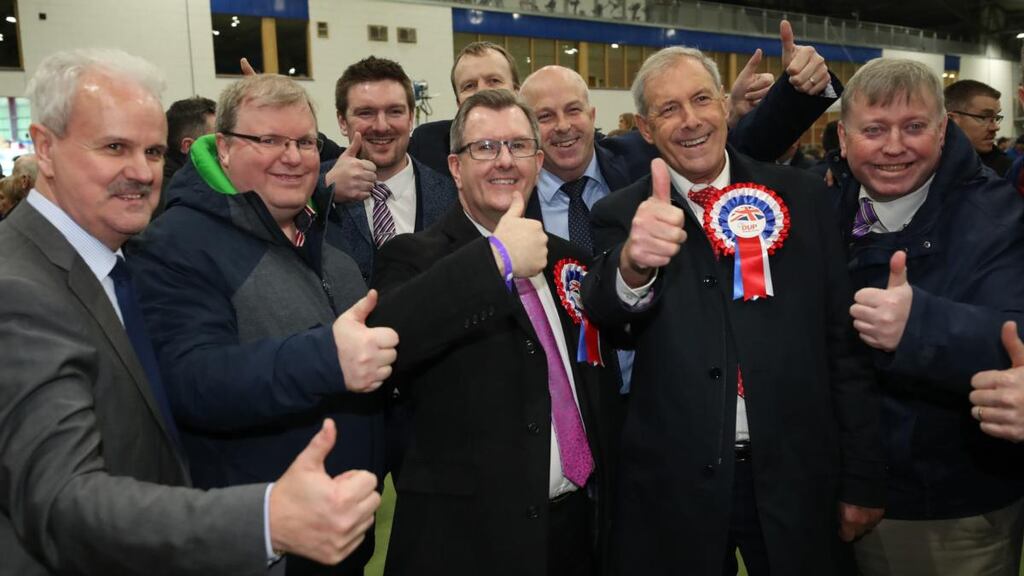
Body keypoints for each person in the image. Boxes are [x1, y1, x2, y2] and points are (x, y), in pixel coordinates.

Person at [0, 48, 379, 576]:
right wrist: (266, 519)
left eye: (153, 151)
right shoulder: (18, 289)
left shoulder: (108, 262)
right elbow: (64, 503)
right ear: (44, 148)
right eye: (114, 147)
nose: (140, 172)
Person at [581, 45, 884, 575]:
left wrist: (862, 477)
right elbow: (609, 312)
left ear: (725, 105)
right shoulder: (621, 213)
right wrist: (633, 265)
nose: (691, 119)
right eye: (669, 109)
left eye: (702, 99)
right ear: (645, 129)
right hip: (678, 491)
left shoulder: (802, 197)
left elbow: (843, 344)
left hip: (797, 478)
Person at [129, 73, 398, 575]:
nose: (292, 157)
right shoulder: (174, 244)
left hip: (342, 534)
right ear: (224, 148)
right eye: (269, 140)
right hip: (260, 548)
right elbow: (189, 380)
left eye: (304, 142)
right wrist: (326, 358)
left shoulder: (326, 241)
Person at [367, 89, 624, 576]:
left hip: (576, 531)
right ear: (456, 167)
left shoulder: (568, 257)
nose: (504, 161)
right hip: (468, 541)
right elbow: (389, 335)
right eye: (485, 147)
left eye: (519, 146)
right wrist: (497, 260)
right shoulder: (412, 256)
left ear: (538, 161)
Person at [833, 58, 1024, 576]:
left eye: (914, 127)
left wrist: (919, 326)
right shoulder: (827, 201)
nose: (894, 146)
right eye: (874, 130)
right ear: (844, 139)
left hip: (943, 511)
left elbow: (1016, 340)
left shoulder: (993, 215)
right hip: (831, 489)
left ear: (942, 131)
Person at [324, 56, 457, 282]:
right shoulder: (312, 187)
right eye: (366, 112)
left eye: (395, 111)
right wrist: (325, 190)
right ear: (342, 122)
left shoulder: (451, 197)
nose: (381, 126)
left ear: (411, 118)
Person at [407, 41, 520, 176]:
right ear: (458, 103)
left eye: (494, 81)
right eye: (469, 86)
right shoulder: (427, 144)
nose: (482, 92)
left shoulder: (537, 142)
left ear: (516, 92)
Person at [944, 79, 1011, 176]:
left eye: (996, 118)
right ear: (952, 120)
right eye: (984, 117)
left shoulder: (1008, 172)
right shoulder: (926, 166)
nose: (995, 127)